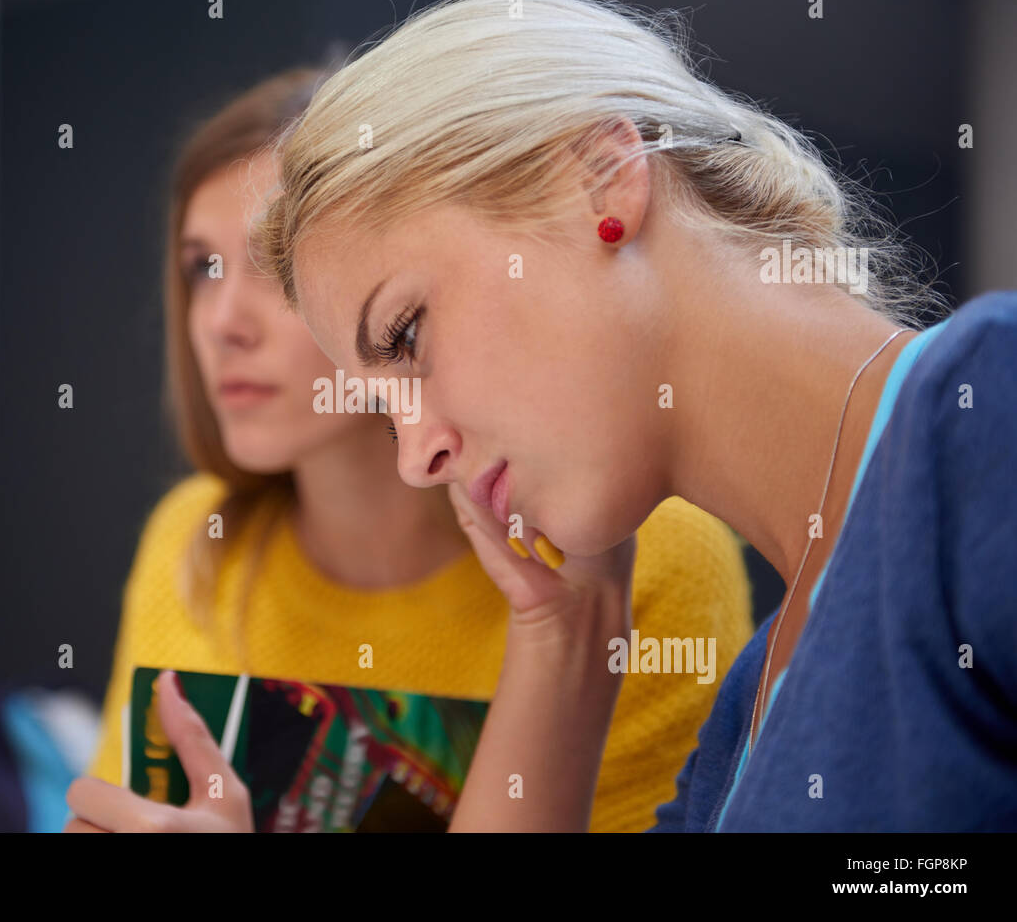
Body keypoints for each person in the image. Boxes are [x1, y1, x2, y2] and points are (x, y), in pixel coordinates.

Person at [250, 0, 1017, 831]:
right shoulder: (734, 749)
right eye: (382, 409)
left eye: (405, 336)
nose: (413, 456)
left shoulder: (985, 416)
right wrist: (562, 637)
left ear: (600, 182)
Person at [65, 66, 754, 832]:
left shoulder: (640, 553)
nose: (223, 321)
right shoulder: (192, 539)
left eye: (274, 264)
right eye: (202, 268)